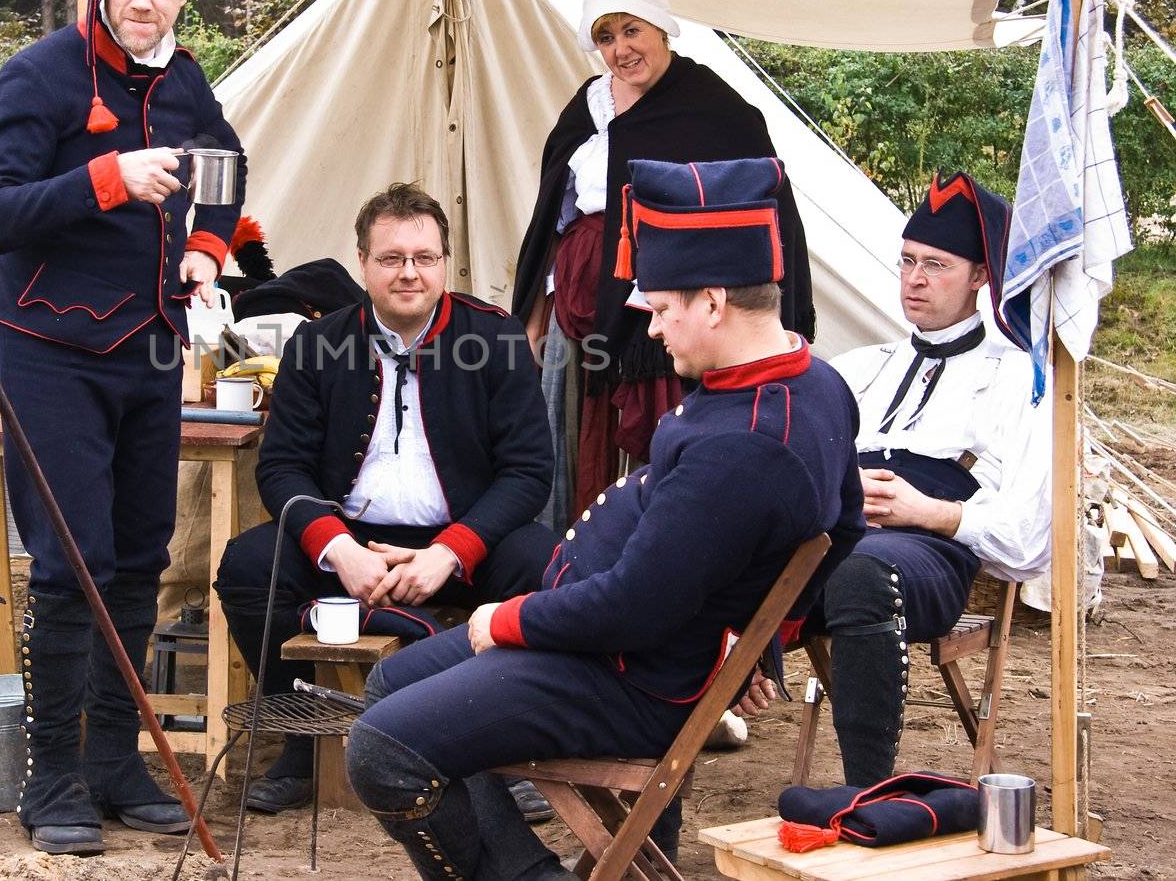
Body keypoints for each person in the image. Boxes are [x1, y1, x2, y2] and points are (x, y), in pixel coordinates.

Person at [345, 158, 865, 880]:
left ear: (713, 301)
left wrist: (503, 619)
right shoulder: (817, 381)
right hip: (614, 643)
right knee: (389, 689)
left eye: (659, 307)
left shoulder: (747, 443)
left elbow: (628, 609)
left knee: (382, 749)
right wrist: (760, 633)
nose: (652, 328)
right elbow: (843, 529)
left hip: (628, 672)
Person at [0, 0, 245, 855]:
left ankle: (118, 760)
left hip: (152, 349)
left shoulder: (188, 82)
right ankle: (53, 777)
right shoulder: (39, 75)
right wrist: (104, 177)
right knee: (69, 565)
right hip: (50, 349)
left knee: (139, 557)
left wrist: (208, 251)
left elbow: (225, 168)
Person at [215, 183, 558, 814]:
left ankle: (504, 749)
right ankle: (302, 742)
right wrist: (338, 550)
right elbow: (283, 467)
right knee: (247, 567)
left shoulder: (497, 339)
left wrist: (450, 553)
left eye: (424, 258)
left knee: (546, 566)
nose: (408, 272)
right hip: (352, 540)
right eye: (391, 258)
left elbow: (530, 472)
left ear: (445, 264)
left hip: (463, 544)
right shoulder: (316, 345)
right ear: (363, 263)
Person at [737, 170, 1050, 788]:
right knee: (705, 548)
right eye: (907, 260)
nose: (915, 279)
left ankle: (864, 793)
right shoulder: (859, 369)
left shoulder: (1019, 379)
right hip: (830, 535)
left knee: (863, 573)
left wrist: (927, 510)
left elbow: (1031, 536)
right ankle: (663, 747)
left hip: (928, 552)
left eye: (937, 264)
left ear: (981, 277)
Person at [510, 0, 815, 523]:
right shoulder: (589, 105)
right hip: (576, 302)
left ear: (661, 27)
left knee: (655, 445)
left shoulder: (714, 107)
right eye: (605, 37)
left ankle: (645, 558)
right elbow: (553, 217)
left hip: (664, 312)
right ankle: (566, 562)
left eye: (632, 30)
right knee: (566, 433)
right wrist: (532, 319)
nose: (621, 49)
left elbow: (767, 214)